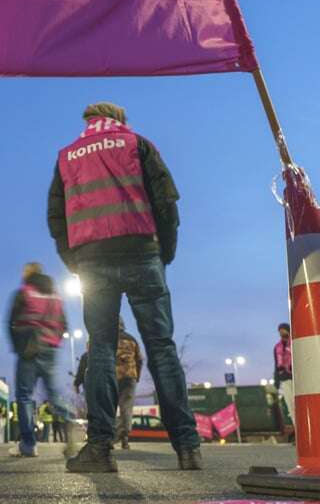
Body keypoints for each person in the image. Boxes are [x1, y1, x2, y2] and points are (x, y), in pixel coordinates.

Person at [49, 101, 201, 473]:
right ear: (119, 120)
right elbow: (166, 201)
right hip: (141, 252)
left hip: (93, 260)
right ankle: (187, 448)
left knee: (100, 348)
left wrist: (75, 261)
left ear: (87, 121)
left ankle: (100, 449)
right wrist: (163, 252)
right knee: (161, 347)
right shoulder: (137, 143)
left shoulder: (66, 156)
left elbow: (56, 217)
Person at [7, 262, 69, 458]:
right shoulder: (56, 296)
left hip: (28, 348)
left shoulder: (24, 292)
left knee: (25, 396)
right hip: (50, 347)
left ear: (28, 273)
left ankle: (28, 443)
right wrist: (54, 341)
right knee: (52, 393)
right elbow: (64, 324)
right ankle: (72, 421)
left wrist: (18, 347)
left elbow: (10, 321)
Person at [114, 319, 143, 449]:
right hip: (130, 376)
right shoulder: (132, 339)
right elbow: (140, 359)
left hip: (113, 376)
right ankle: (124, 438)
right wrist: (137, 376)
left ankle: (111, 437)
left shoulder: (108, 338)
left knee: (110, 408)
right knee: (126, 408)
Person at [273, 322, 294, 423]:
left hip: (297, 378)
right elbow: (276, 364)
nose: (281, 332)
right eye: (280, 331)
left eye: (283, 330)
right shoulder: (277, 347)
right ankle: (297, 427)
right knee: (291, 405)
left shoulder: (295, 342)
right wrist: (276, 381)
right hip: (285, 378)